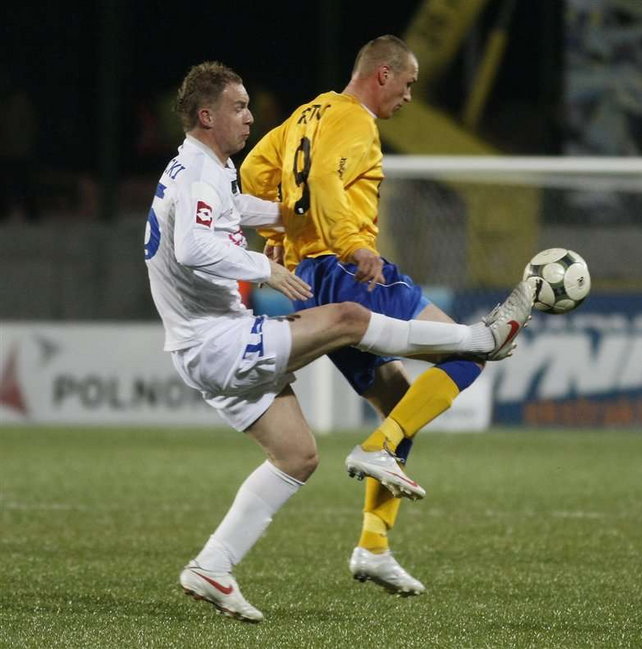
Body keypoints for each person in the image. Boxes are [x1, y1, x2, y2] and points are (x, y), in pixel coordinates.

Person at [144, 61, 533, 623]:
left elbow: (238, 202)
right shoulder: (204, 174)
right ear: (207, 116)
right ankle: (479, 336)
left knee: (297, 456)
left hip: (201, 345)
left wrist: (282, 216)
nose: (250, 117)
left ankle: (213, 566)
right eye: (239, 107)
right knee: (350, 317)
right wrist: (264, 265)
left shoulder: (204, 168)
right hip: (218, 341)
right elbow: (190, 247)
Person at [240, 35, 528, 596]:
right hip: (349, 273)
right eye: (409, 83)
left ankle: (373, 547)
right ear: (382, 75)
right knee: (476, 347)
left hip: (308, 284)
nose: (410, 96)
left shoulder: (306, 114)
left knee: (400, 403)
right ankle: (376, 449)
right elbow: (324, 180)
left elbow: (253, 175)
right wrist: (352, 243)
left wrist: (277, 236)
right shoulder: (355, 119)